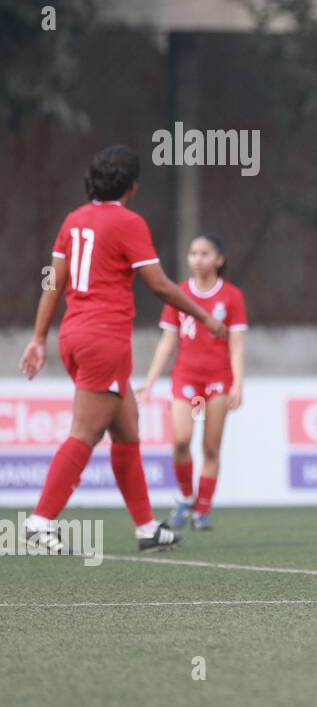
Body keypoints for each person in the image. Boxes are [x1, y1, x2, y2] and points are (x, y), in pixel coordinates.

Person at [19, 145, 226, 553]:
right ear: (132, 186)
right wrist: (204, 316)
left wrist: (40, 337)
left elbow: (52, 284)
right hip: (103, 339)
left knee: (127, 427)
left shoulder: (73, 220)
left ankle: (146, 528)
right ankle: (39, 522)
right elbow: (161, 285)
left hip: (74, 336)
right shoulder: (127, 222)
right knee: (85, 432)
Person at [137, 234, 247, 531]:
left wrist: (238, 383)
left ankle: (202, 510)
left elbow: (236, 344)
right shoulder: (177, 293)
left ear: (219, 260)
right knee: (181, 440)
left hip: (218, 380)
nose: (197, 259)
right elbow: (167, 341)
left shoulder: (231, 296)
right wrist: (148, 382)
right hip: (185, 378)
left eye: (204, 253)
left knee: (211, 448)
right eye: (193, 253)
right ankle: (186, 498)